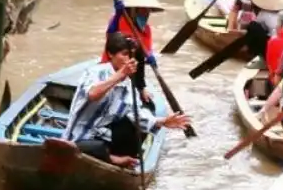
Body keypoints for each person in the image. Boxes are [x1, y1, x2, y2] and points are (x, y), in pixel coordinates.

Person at [63, 33, 190, 166]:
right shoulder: (95, 72)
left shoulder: (128, 86)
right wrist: (120, 75)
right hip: (79, 137)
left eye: (131, 56)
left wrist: (163, 121)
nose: (129, 59)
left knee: (138, 123)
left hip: (102, 135)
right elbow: (93, 94)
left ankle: (121, 160)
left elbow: (136, 115)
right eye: (124, 54)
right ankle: (112, 159)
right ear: (111, 54)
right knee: (94, 147)